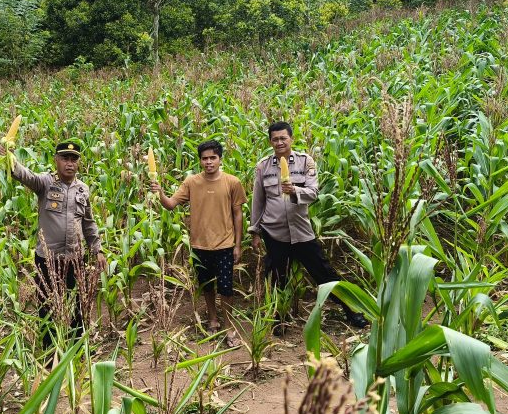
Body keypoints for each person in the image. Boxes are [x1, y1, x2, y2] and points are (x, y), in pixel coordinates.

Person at [249, 121, 368, 329]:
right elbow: (258, 201)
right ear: (270, 141)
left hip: (301, 230)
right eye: (275, 139)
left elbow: (313, 193)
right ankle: (279, 319)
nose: (279, 142)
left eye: (283, 138)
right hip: (274, 232)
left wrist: (294, 190)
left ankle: (351, 311)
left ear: (291, 139)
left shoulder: (305, 162)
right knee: (277, 279)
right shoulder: (263, 166)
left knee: (324, 274)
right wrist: (255, 232)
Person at [0, 138, 107, 335]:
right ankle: (50, 356)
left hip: (75, 258)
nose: (70, 163)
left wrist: (97, 249)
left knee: (78, 307)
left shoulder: (83, 189)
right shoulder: (45, 183)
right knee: (47, 307)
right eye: (65, 158)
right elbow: (23, 174)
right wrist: (8, 155)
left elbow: (88, 223)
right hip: (48, 259)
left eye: (74, 159)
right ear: (56, 160)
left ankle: (76, 350)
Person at [150, 140, 246, 344]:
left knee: (226, 288)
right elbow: (170, 205)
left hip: (225, 245)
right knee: (207, 286)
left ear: (220, 159)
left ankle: (228, 327)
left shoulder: (232, 182)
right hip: (199, 246)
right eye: (205, 158)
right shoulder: (191, 182)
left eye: (213, 158)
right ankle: (212, 320)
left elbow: (238, 215)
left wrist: (238, 245)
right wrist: (159, 191)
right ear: (200, 161)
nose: (209, 162)